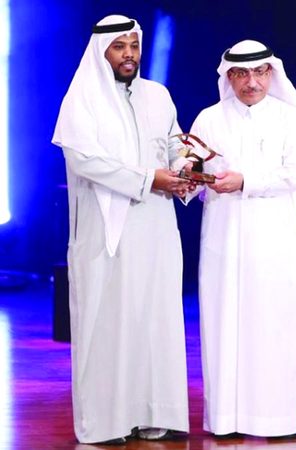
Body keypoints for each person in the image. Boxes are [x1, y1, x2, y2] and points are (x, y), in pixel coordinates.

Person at [51, 14, 191, 444]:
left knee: (155, 317)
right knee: (107, 322)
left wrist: (185, 166)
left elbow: (174, 142)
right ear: (102, 52)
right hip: (106, 232)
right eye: (119, 47)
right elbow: (83, 160)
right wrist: (148, 179)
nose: (129, 54)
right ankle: (105, 422)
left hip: (157, 226)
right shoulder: (82, 99)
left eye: (133, 45)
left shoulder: (158, 95)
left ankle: (154, 414)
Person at [182, 39, 296, 437]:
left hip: (276, 241)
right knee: (223, 325)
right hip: (223, 240)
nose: (251, 82)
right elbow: (193, 174)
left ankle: (278, 419)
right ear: (229, 76)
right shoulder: (208, 119)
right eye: (241, 74)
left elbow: (293, 175)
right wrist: (186, 177)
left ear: (271, 74)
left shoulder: (289, 118)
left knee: (276, 326)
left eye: (259, 72)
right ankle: (225, 420)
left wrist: (245, 181)